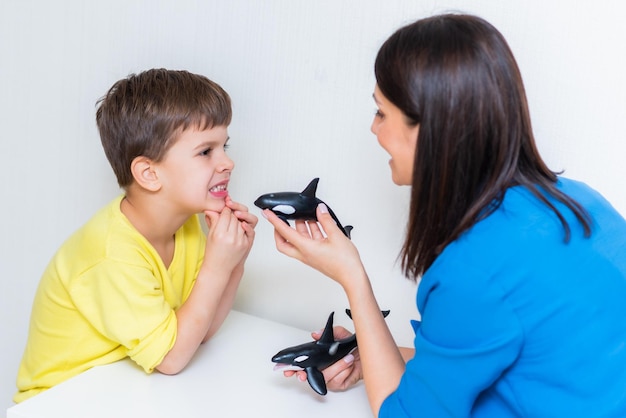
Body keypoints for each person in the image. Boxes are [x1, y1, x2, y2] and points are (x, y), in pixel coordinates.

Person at [262, 14, 626, 417]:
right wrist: (370, 356)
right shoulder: (583, 203)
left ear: (428, 128)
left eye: (381, 113)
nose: (373, 129)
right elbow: (484, 352)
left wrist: (351, 275)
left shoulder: (474, 269)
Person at [14, 69, 257, 403]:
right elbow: (171, 358)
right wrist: (217, 266)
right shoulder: (112, 253)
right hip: (60, 401)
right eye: (206, 151)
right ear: (149, 173)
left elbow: (199, 333)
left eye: (224, 146)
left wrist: (234, 263)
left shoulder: (186, 223)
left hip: (127, 388)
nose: (227, 162)